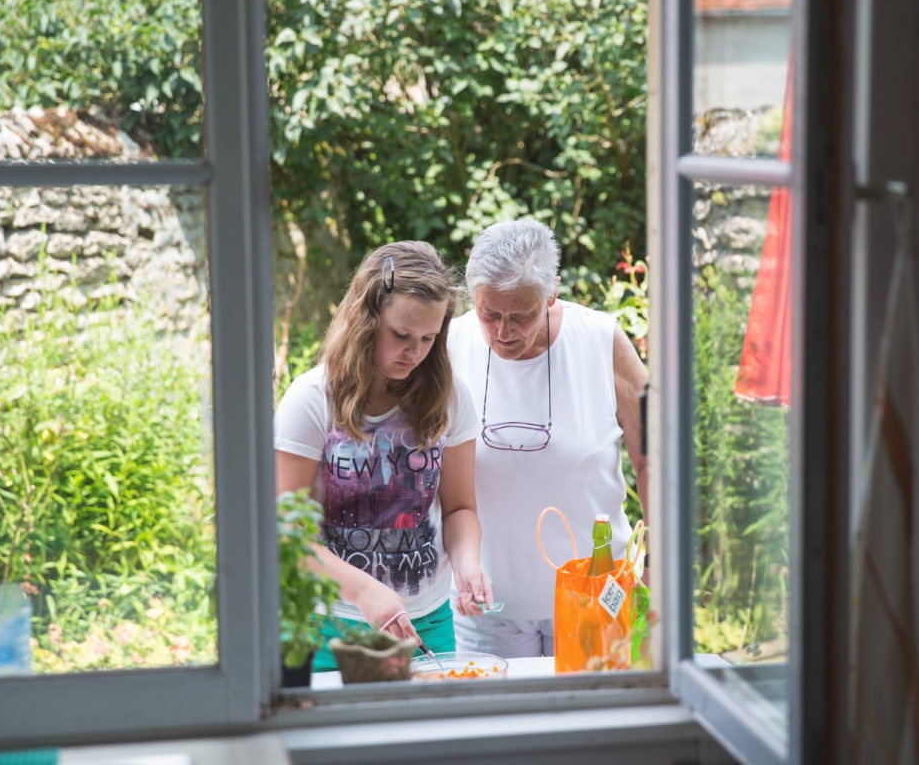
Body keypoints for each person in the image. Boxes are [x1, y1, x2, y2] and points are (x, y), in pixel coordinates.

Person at [274, 241, 493, 672]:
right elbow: (286, 534)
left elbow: (460, 508)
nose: (414, 352)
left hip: (425, 624)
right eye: (401, 335)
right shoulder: (312, 399)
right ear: (366, 320)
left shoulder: (450, 398)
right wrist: (363, 591)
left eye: (429, 339)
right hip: (328, 626)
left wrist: (468, 566)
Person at [447, 219, 649, 659]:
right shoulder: (449, 343)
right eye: (489, 314)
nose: (502, 332)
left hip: (595, 593)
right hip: (486, 605)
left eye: (520, 316)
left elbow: (655, 456)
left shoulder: (599, 338)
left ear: (552, 293)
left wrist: (661, 562)